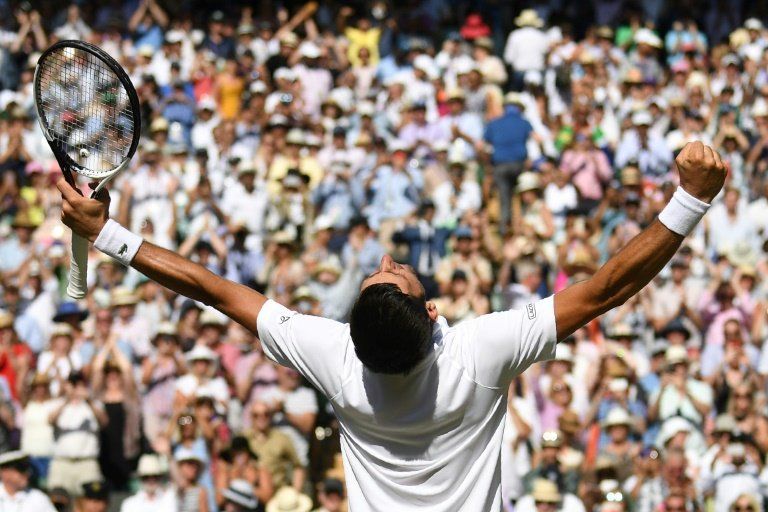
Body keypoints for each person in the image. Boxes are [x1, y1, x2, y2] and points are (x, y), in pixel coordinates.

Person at [57, 141, 725, 510]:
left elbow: (210, 289)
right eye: (393, 274)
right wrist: (691, 199)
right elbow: (607, 288)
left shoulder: (335, 361)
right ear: (433, 313)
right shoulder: (478, 351)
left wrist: (108, 234)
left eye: (381, 273)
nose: (384, 260)